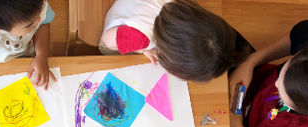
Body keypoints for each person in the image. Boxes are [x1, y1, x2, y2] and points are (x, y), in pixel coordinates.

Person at [228, 20, 308, 127]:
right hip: (253, 80)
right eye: (284, 72)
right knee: (213, 40)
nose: (276, 84)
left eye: (284, 96)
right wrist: (250, 63)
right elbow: (298, 35)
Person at [99, 0, 253, 82]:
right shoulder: (140, 38)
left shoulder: (182, 6)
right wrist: (141, 49)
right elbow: (108, 42)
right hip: (116, 28)